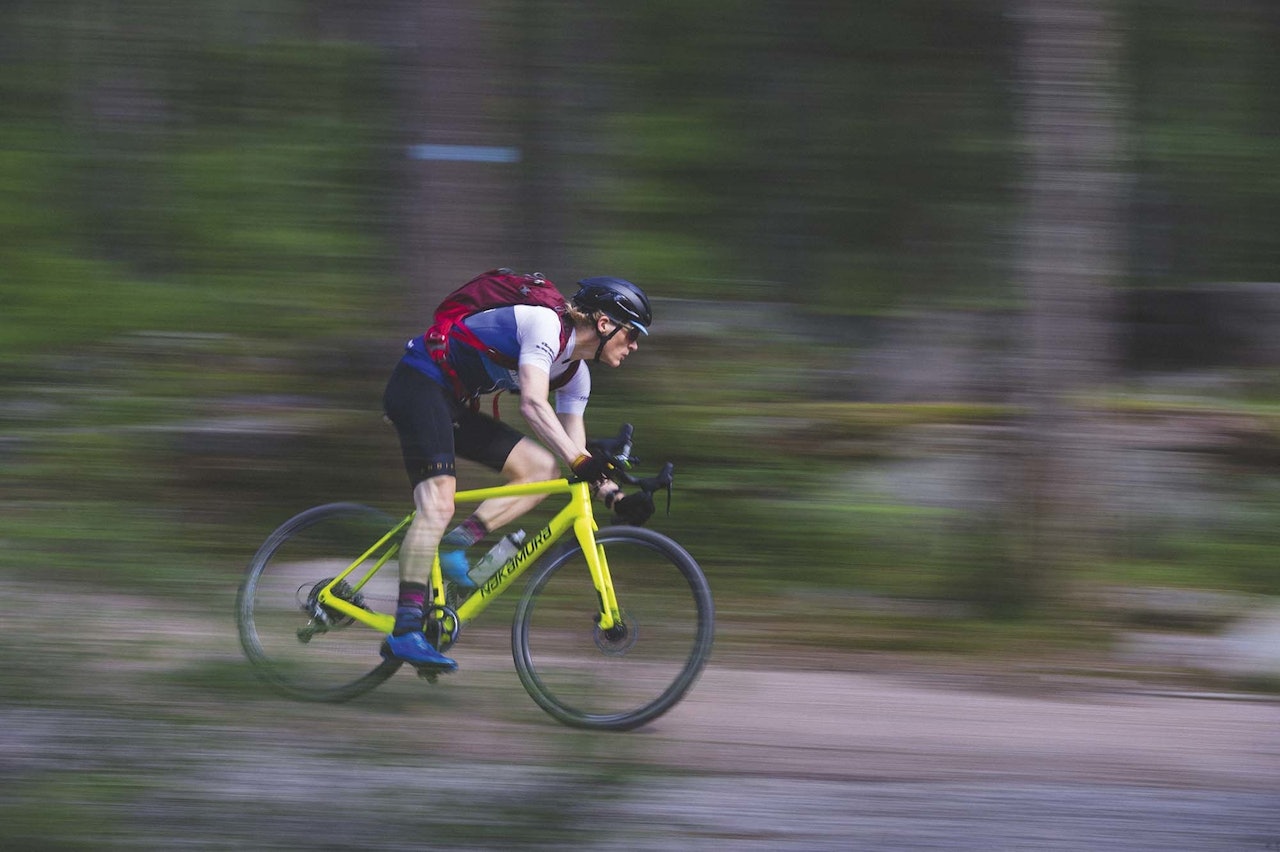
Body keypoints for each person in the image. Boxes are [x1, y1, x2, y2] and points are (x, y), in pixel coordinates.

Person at [380, 275, 656, 670]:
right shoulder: (544, 325)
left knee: (541, 468)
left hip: (454, 403)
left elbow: (573, 455)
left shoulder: (576, 376)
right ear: (604, 323)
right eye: (632, 334)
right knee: (438, 504)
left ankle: (455, 543)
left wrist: (615, 497)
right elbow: (532, 404)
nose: (634, 346)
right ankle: (404, 631)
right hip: (418, 384)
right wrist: (582, 462)